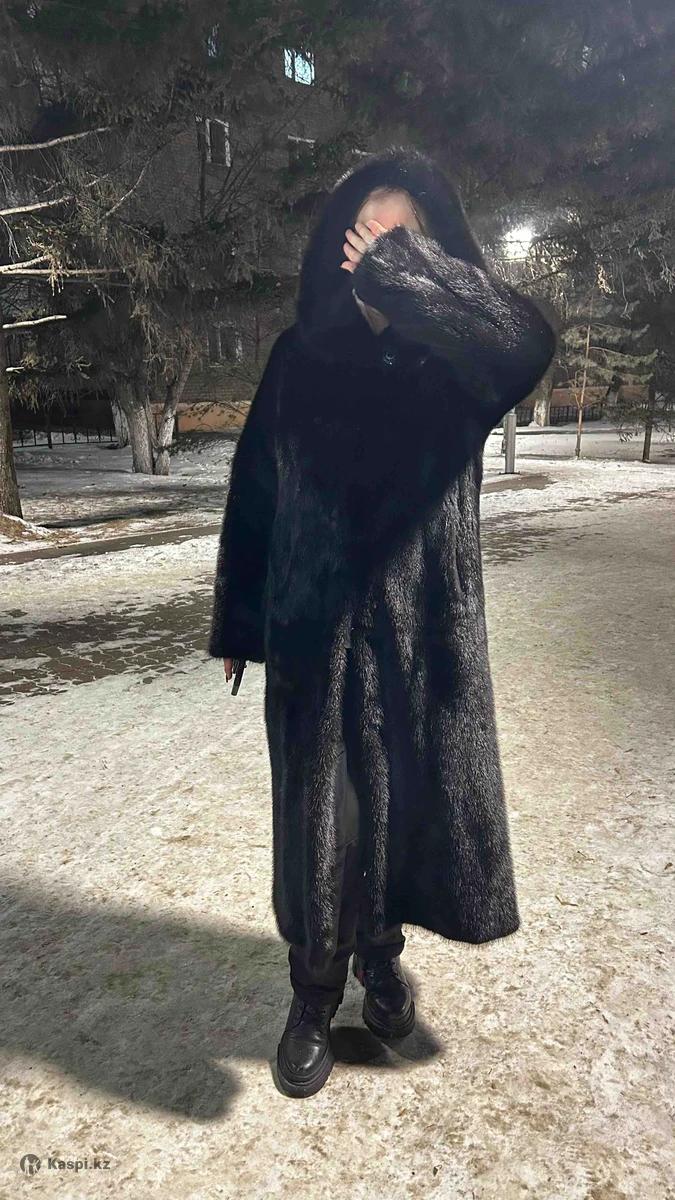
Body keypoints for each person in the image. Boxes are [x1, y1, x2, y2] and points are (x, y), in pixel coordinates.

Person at [207, 145, 557, 1099]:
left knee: (402, 813)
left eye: (403, 236)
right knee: (324, 822)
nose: (377, 250)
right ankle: (312, 994)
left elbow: (528, 343)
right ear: (337, 241)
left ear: (431, 251)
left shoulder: (455, 367)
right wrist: (241, 622)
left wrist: (406, 275)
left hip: (422, 643)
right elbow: (257, 492)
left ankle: (381, 957)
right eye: (367, 233)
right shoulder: (300, 357)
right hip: (314, 637)